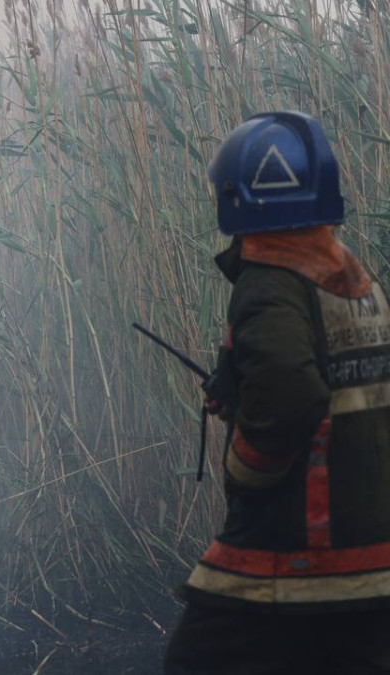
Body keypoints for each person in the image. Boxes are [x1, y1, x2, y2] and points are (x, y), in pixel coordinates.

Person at [165, 112, 390, 673]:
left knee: (196, 661)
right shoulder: (357, 281)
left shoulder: (268, 283)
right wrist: (242, 391)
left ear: (236, 199)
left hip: (301, 551)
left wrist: (244, 467)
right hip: (372, 556)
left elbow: (292, 397)